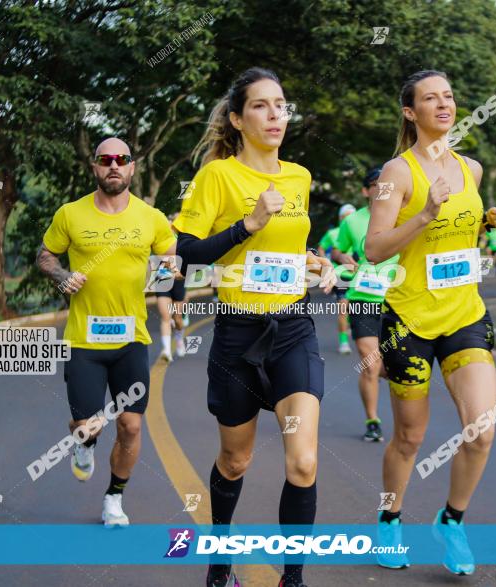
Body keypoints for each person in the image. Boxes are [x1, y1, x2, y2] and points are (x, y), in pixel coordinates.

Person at [174, 67, 334, 587]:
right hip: (238, 336)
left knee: (303, 460)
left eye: (281, 104)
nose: (275, 114)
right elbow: (185, 253)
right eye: (261, 106)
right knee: (235, 459)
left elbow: (287, 251)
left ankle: (293, 578)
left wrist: (316, 262)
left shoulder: (301, 177)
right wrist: (247, 226)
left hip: (292, 328)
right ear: (238, 120)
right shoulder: (217, 177)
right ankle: (220, 558)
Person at [364, 70, 496, 576]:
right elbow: (374, 247)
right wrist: (424, 214)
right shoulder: (396, 173)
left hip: (465, 315)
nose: (443, 104)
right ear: (411, 112)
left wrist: (488, 221)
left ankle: (451, 520)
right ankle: (389, 519)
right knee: (409, 438)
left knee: (482, 429)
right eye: (430, 98)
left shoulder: (470, 167)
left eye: (448, 95)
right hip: (410, 321)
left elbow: (464, 237)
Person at [36, 137, 177, 527]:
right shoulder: (71, 214)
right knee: (86, 426)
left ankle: (114, 498)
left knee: (131, 424)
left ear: (132, 168)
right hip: (84, 340)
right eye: (105, 159)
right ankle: (86, 443)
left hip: (132, 339)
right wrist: (62, 275)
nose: (113, 165)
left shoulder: (150, 217)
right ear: (95, 167)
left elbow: (170, 256)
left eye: (122, 159)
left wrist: (165, 277)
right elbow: (45, 254)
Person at [330, 166, 399, 442]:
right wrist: (343, 257)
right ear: (366, 190)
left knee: (392, 366)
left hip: (397, 300)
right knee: (371, 364)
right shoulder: (352, 221)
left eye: (387, 183)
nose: (382, 188)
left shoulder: (403, 216)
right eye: (376, 183)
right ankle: (373, 420)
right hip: (363, 299)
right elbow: (338, 249)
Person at [319, 204, 356, 354]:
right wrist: (326, 264)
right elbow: (321, 247)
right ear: (341, 218)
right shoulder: (333, 234)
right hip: (341, 275)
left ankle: (349, 324)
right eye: (346, 216)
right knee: (343, 307)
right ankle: (344, 343)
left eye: (351, 216)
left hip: (361, 275)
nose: (349, 219)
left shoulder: (361, 231)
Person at [155, 213, 187, 361]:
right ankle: (167, 351)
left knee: (177, 318)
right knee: (165, 316)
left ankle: (179, 337)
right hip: (163, 275)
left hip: (179, 278)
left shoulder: (184, 238)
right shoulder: (160, 235)